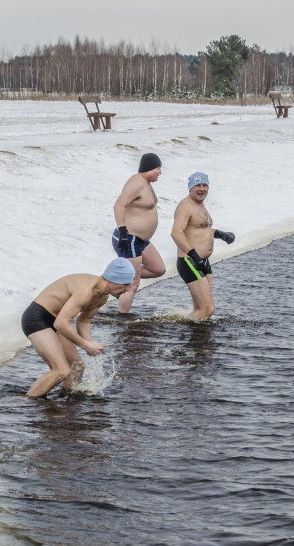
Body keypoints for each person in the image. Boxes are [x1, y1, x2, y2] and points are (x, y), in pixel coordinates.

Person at [21, 258, 135, 397]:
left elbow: (84, 320)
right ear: (112, 280)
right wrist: (85, 345)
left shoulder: (102, 296)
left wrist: (89, 343)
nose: (128, 289)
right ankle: (25, 403)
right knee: (61, 370)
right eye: (125, 284)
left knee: (77, 367)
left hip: (58, 320)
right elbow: (61, 323)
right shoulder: (86, 290)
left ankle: (67, 405)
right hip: (37, 318)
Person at [170, 172, 236, 319]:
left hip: (203, 262)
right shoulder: (185, 206)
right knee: (207, 309)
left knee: (201, 310)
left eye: (204, 185)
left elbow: (200, 230)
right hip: (190, 261)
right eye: (197, 185)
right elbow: (176, 233)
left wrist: (220, 234)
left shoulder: (200, 205)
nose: (201, 189)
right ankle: (176, 328)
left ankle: (198, 340)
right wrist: (194, 256)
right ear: (190, 188)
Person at [112, 152, 166, 313]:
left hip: (140, 241)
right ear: (148, 168)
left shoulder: (146, 183)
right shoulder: (136, 183)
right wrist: (122, 231)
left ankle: (116, 280)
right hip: (129, 238)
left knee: (159, 269)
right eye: (157, 168)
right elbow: (118, 205)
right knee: (133, 283)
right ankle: (122, 319)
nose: (160, 172)